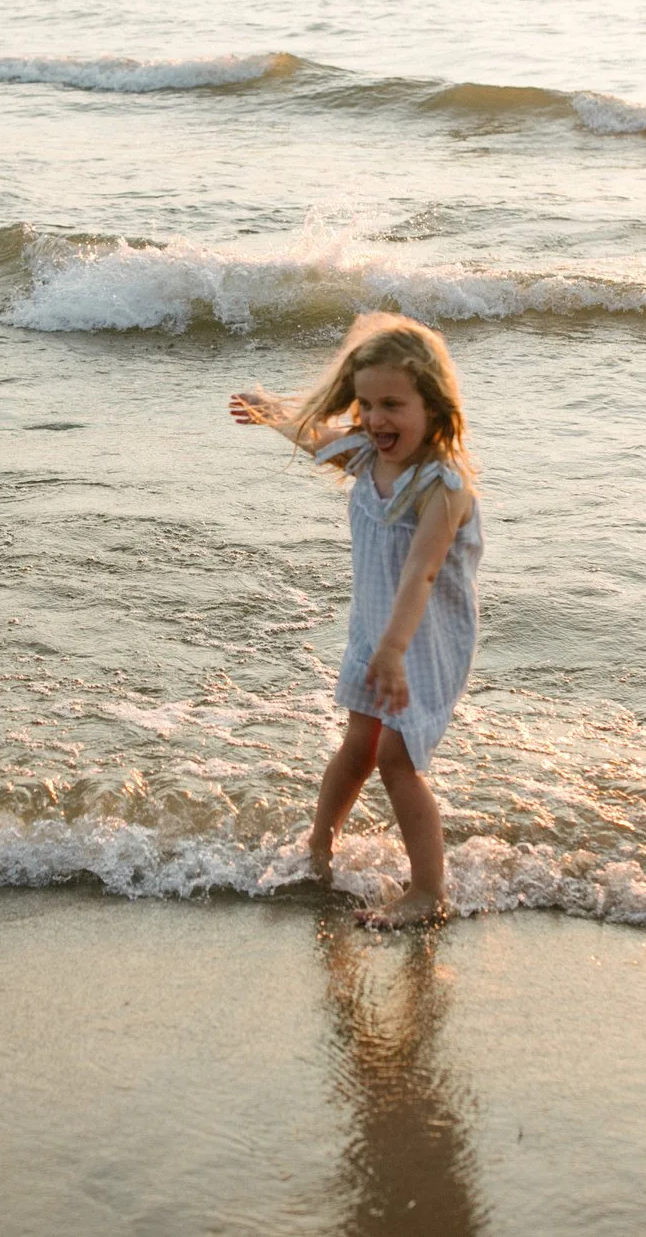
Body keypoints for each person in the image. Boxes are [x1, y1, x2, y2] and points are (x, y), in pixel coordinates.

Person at [230, 313, 482, 927]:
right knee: (358, 745)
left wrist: (395, 650)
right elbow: (313, 436)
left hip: (423, 641)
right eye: (366, 404)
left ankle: (427, 889)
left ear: (435, 405)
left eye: (393, 404)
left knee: (396, 758)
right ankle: (318, 847)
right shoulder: (368, 459)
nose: (375, 419)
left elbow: (422, 573)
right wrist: (269, 410)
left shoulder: (441, 488)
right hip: (377, 632)